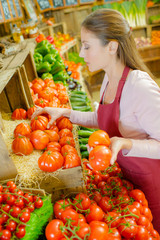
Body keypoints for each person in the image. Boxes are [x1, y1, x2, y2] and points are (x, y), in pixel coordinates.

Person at [32, 9, 160, 232]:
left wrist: (126, 143)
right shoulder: (108, 80)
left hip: (152, 184)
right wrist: (64, 113)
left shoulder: (139, 86)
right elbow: (102, 119)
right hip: (129, 178)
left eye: (87, 46)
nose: (81, 54)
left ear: (112, 46)